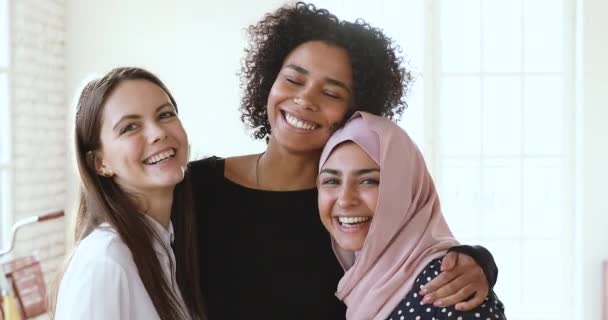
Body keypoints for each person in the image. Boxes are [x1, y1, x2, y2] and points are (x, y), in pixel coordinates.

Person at [188, 2, 496, 319]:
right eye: (294, 80)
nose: (305, 99)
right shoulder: (195, 188)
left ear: (356, 111)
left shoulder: (352, 213)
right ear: (269, 80)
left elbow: (417, 255)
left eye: (331, 93)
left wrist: (478, 262)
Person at [317, 111, 506, 320]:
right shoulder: (356, 281)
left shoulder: (450, 286)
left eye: (368, 181)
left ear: (405, 188)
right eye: (331, 181)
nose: (345, 200)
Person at [50, 67, 205, 320]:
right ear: (99, 163)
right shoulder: (104, 262)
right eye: (130, 127)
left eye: (165, 115)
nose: (158, 133)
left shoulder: (167, 245)